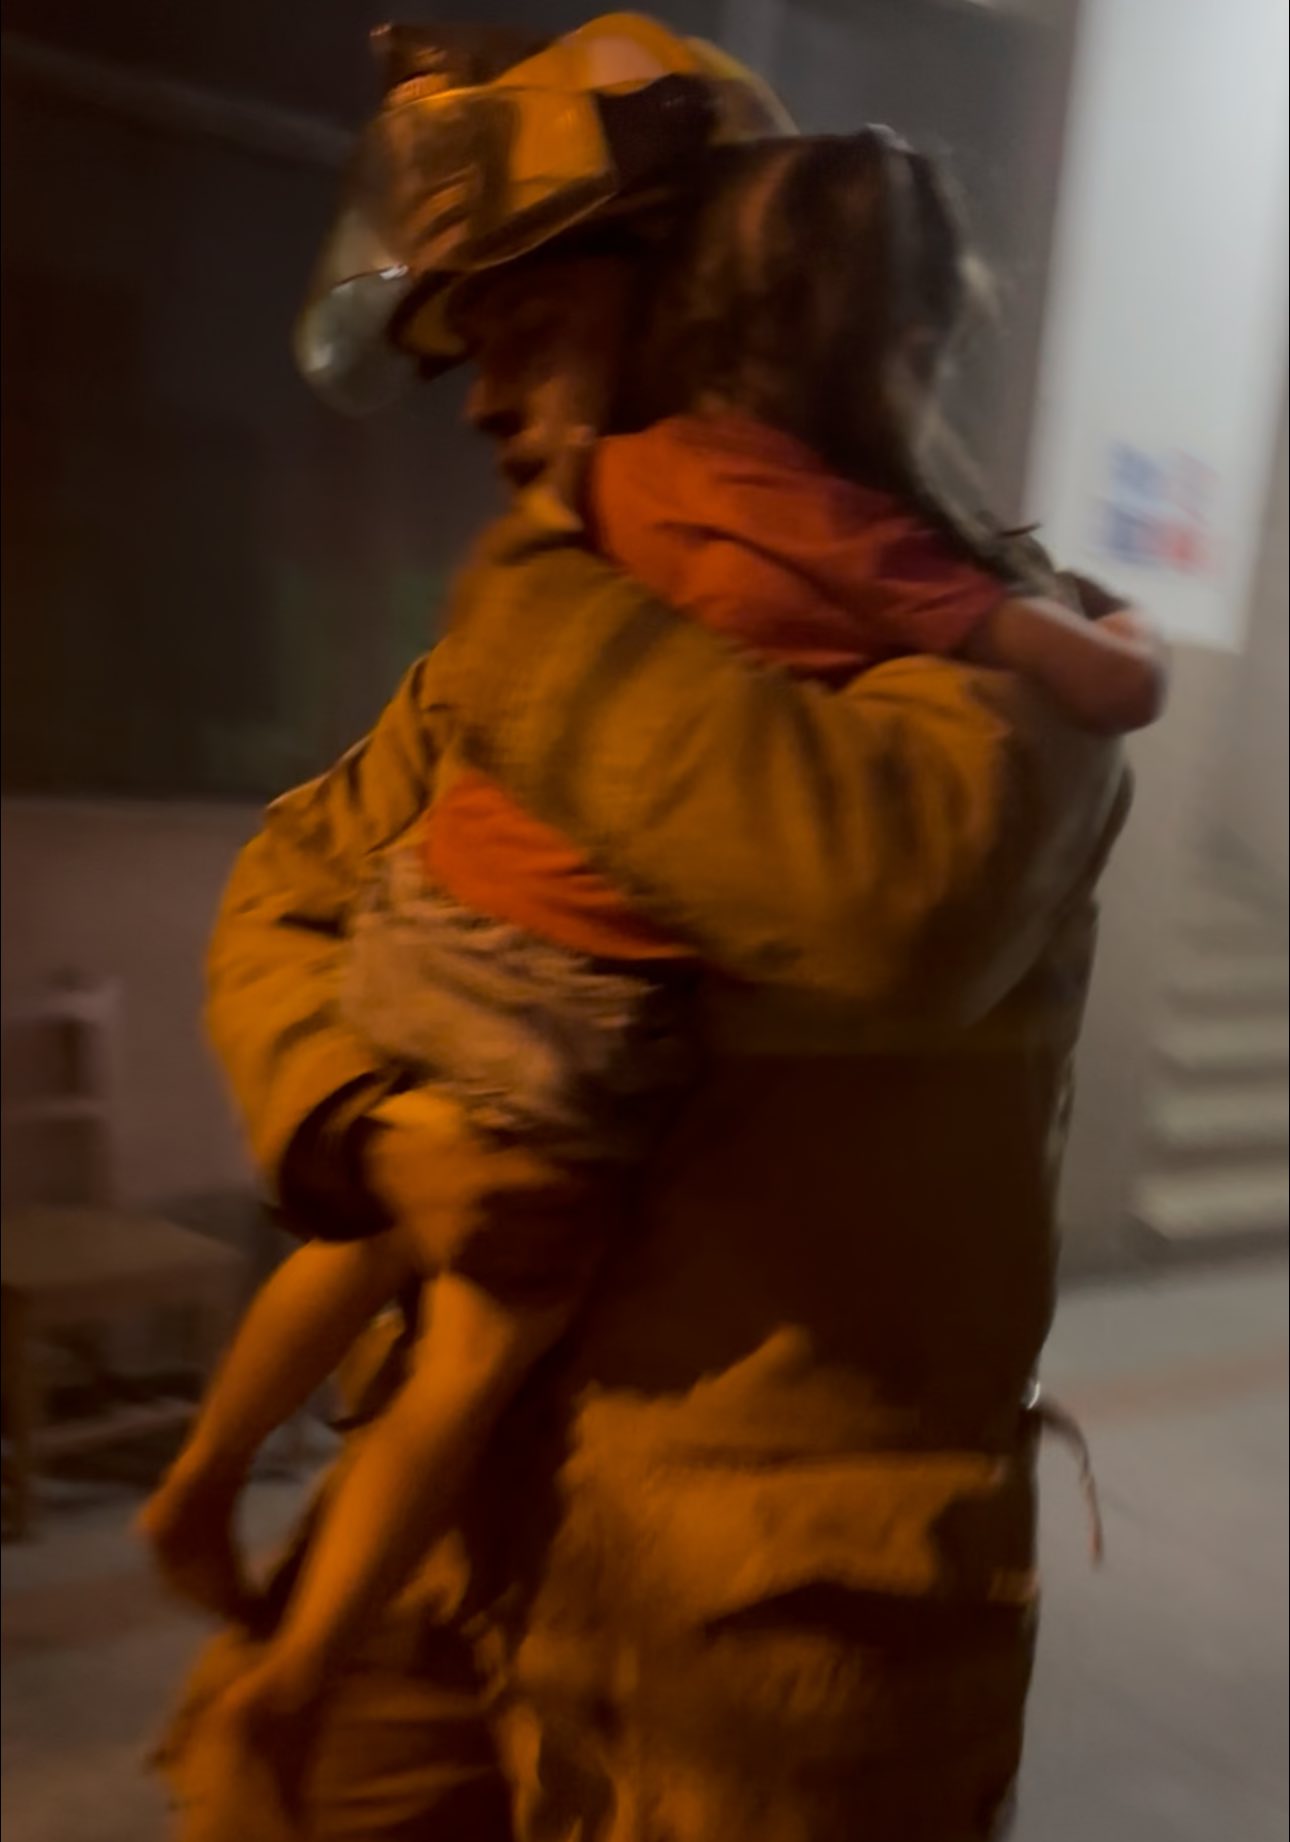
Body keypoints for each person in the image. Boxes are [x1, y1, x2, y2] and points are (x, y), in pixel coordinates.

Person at [158, 18, 1135, 1842]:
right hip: (457, 1517)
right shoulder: (511, 661)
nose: (480, 396)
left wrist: (545, 584)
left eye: (531, 324)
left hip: (764, 1612)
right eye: (471, 341)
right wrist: (384, 1133)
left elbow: (891, 899)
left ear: (704, 304)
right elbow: (288, 891)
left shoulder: (981, 652)